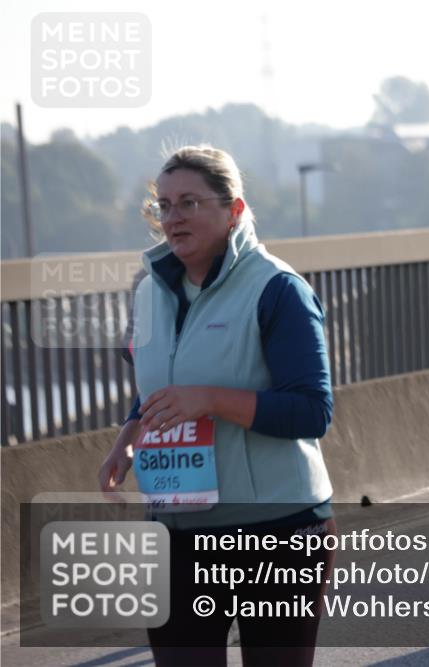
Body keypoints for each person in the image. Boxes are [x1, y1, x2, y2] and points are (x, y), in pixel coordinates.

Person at [98, 145, 336, 667]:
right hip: (178, 536)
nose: (172, 218)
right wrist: (131, 431)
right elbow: (166, 378)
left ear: (233, 210)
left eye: (188, 203)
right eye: (163, 205)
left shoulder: (278, 289)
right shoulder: (149, 291)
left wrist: (209, 401)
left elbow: (312, 410)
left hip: (277, 534)